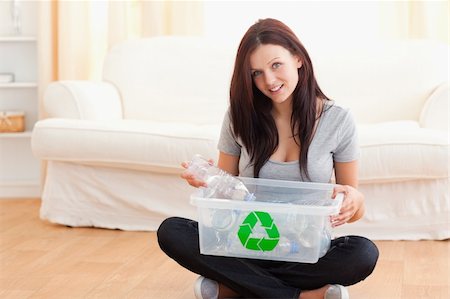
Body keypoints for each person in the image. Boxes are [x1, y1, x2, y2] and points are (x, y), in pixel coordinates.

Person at [157, 18, 378, 299]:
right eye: (256, 73)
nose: (269, 81)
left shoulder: (338, 120)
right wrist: (211, 181)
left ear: (298, 58)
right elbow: (223, 202)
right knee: (172, 231)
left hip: (303, 247)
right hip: (246, 243)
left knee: (362, 253)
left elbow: (352, 204)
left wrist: (355, 201)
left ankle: (234, 288)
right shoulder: (239, 118)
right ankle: (300, 296)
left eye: (276, 65)